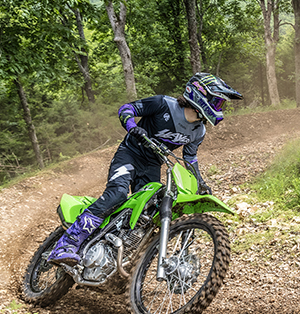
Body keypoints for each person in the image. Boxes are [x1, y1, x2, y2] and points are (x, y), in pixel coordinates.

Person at [47, 72, 243, 266]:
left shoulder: (198, 131)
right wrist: (133, 127)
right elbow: (127, 109)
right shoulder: (163, 104)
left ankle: (118, 258)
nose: (219, 108)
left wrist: (200, 182)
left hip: (153, 163)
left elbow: (190, 157)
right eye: (217, 102)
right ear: (200, 94)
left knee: (148, 213)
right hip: (130, 154)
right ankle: (67, 244)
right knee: (117, 195)